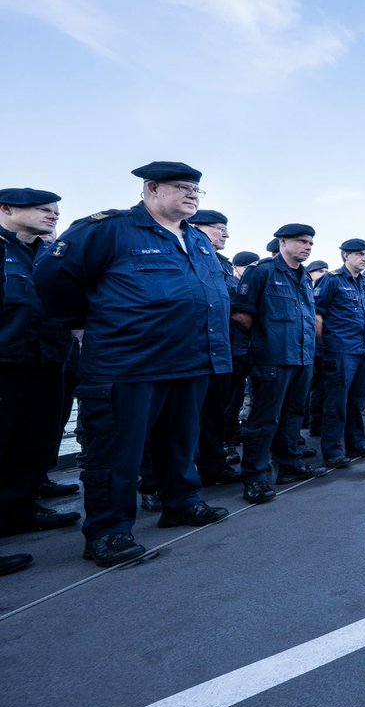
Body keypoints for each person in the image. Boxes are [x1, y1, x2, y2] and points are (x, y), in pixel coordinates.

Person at [35, 161, 231, 567]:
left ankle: (180, 502)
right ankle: (108, 531)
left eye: (197, 189)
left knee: (181, 443)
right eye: (183, 186)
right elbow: (52, 280)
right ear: (152, 188)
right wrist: (81, 325)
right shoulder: (108, 229)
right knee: (115, 453)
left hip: (190, 360)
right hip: (128, 362)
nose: (193, 193)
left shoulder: (196, 240)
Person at [0, 188, 78, 553]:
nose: (53, 215)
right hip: (6, 362)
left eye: (56, 210)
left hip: (48, 360)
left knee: (36, 441)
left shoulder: (50, 254)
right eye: (43, 209)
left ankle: (18, 512)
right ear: (7, 209)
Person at [231, 223, 328, 503]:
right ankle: (255, 477)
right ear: (282, 242)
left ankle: (288, 465)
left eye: (310, 242)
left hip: (301, 357)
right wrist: (266, 341)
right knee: (263, 419)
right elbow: (241, 315)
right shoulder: (262, 272)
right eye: (301, 241)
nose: (307, 246)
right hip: (272, 358)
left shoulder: (305, 279)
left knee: (293, 415)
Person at [188, 209, 242, 486]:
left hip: (221, 349)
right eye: (219, 228)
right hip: (190, 349)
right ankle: (159, 480)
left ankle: (213, 465)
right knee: (182, 417)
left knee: (214, 412)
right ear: (195, 227)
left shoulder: (221, 263)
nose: (226, 234)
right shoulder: (183, 254)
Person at [314, 238, 365, 468]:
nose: (364, 258)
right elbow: (317, 315)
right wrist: (327, 345)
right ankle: (333, 451)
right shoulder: (331, 280)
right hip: (341, 350)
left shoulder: (363, 283)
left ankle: (356, 444)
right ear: (345, 256)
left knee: (356, 401)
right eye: (359, 254)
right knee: (336, 403)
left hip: (364, 350)